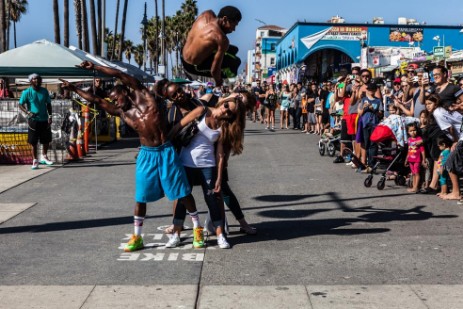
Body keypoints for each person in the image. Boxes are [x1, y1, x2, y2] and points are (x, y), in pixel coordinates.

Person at [60, 61, 200, 252]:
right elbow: (96, 101)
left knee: (182, 192)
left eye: (115, 98)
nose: (114, 102)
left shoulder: (143, 93)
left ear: (124, 91)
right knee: (140, 197)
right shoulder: (122, 112)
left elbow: (118, 73)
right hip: (147, 155)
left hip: (166, 150)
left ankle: (197, 229)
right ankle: (137, 237)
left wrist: (95, 67)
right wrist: (74, 88)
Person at [181, 6, 242, 87]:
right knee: (236, 62)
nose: (234, 29)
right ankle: (229, 80)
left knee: (234, 50)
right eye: (233, 25)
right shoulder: (221, 39)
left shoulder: (206, 14)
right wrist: (218, 82)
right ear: (224, 19)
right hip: (192, 67)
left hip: (183, 53)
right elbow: (214, 70)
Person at [18, 73, 54, 169]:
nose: (37, 81)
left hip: (44, 119)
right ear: (31, 81)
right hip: (33, 120)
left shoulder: (44, 91)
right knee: (33, 141)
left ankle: (44, 157)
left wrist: (50, 116)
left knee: (46, 139)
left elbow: (48, 104)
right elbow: (20, 104)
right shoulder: (27, 92)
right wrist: (28, 112)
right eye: (34, 79)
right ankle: (35, 160)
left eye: (38, 79)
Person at [405, 123, 426, 193]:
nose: (413, 132)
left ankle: (416, 187)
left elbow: (422, 150)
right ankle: (414, 187)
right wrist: (406, 159)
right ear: (408, 132)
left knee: (417, 173)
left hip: (417, 159)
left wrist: (423, 159)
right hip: (411, 160)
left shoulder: (419, 139)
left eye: (414, 130)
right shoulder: (409, 140)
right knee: (413, 173)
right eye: (411, 131)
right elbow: (409, 150)